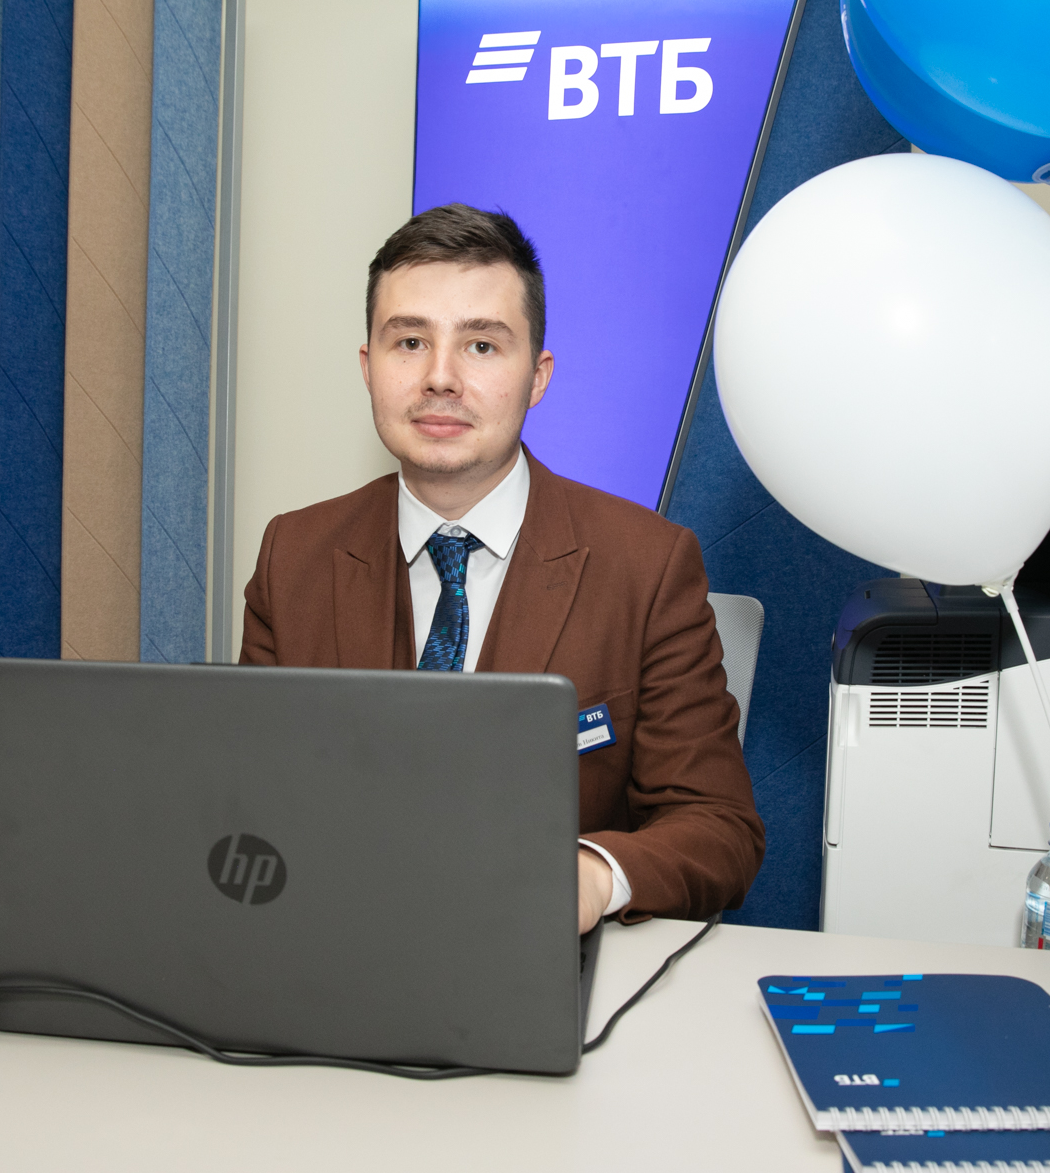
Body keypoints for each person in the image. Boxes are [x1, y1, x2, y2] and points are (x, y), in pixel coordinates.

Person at [240, 203, 764, 933]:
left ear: (537, 377)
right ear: (368, 368)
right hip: (333, 948)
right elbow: (248, 803)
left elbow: (719, 828)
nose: (440, 378)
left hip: (539, 957)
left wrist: (592, 876)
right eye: (410, 342)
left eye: (482, 346)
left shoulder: (646, 566)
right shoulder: (292, 554)